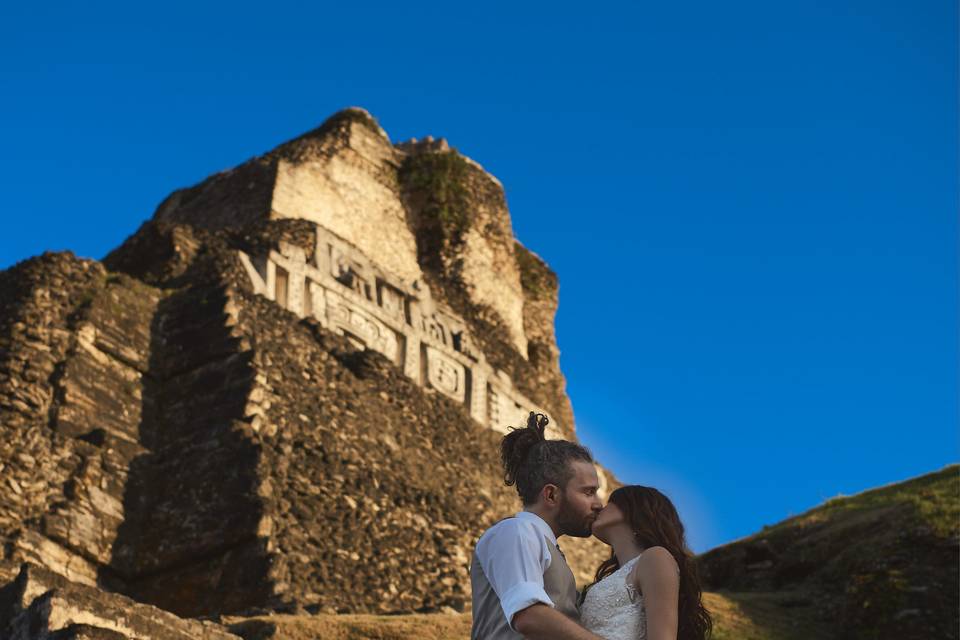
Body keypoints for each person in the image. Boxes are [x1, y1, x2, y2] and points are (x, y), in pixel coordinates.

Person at [470, 412, 605, 640]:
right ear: (551, 495)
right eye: (588, 492)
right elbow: (529, 615)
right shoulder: (517, 532)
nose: (599, 504)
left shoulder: (542, 544)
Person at [579, 486, 713, 640]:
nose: (600, 507)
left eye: (611, 501)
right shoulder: (617, 574)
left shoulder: (656, 557)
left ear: (633, 509)